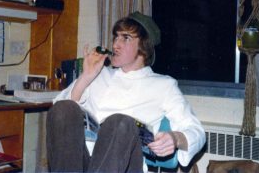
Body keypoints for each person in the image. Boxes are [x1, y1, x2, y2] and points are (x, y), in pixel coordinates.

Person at [46, 11, 206, 172]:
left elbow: (197, 131)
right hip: (81, 162)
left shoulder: (164, 85)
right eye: (116, 37)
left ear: (144, 46)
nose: (116, 44)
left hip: (125, 163)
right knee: (63, 108)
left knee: (120, 122)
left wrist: (175, 138)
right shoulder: (99, 73)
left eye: (126, 38)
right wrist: (86, 76)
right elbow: (58, 114)